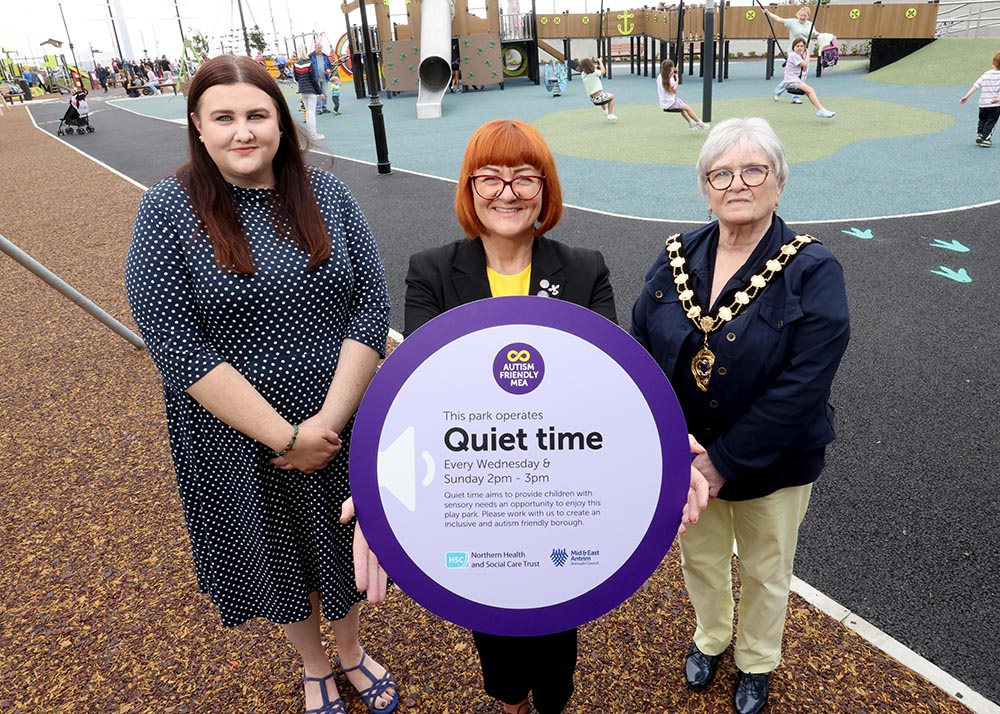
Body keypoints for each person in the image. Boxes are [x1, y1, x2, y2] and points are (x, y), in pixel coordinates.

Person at [400, 118, 708, 714]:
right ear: (469, 188)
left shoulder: (582, 267)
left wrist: (664, 441)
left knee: (557, 602)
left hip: (558, 474)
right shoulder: (432, 270)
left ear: (545, 188)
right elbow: (425, 385)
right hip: (477, 477)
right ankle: (510, 697)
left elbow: (604, 381)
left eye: (523, 176)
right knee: (489, 603)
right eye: (489, 177)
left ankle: (551, 699)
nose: (507, 192)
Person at [124, 55, 397, 714]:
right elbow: (175, 343)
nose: (241, 132)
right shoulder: (168, 211)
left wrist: (325, 426)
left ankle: (353, 651)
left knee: (341, 541)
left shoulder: (326, 194)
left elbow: (371, 304)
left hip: (337, 416)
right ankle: (313, 664)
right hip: (238, 435)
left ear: (281, 122)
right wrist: (285, 436)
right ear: (197, 124)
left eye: (256, 115)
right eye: (224, 117)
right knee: (281, 557)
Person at [631, 117, 850, 714]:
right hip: (690, 459)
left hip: (771, 462)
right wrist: (675, 445)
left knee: (765, 569)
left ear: (779, 184)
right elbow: (643, 346)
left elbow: (802, 388)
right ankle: (711, 637)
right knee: (700, 561)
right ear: (705, 188)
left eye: (754, 170)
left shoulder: (813, 268)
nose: (737, 184)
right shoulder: (676, 254)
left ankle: (756, 660)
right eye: (720, 173)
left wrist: (720, 466)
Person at [772, 37, 835, 118]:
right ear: (793, 47)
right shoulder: (794, 55)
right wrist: (808, 55)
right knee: (811, 90)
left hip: (794, 80)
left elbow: (804, 69)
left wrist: (805, 57)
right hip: (791, 81)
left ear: (804, 47)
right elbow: (805, 65)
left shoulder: (799, 56)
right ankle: (821, 110)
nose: (799, 48)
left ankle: (821, 110)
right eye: (797, 46)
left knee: (809, 92)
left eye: (802, 46)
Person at [959, 50, 1000, 147]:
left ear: (992, 63)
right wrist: (998, 98)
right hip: (995, 105)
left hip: (983, 103)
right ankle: (986, 139)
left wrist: (966, 96)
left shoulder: (986, 74)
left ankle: (980, 134)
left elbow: (976, 85)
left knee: (982, 119)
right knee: (991, 121)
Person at [657, 59, 706, 130]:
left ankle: (691, 123)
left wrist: (673, 73)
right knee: (688, 108)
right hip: (671, 103)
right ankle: (700, 123)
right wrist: (677, 80)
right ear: (670, 68)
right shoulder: (671, 81)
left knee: (682, 108)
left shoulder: (660, 77)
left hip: (664, 102)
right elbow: (675, 91)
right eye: (672, 67)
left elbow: (662, 83)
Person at [294, 48, 325, 141]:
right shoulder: (309, 63)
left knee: (308, 112)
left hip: (302, 90)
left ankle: (310, 133)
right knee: (311, 113)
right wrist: (320, 92)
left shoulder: (296, 64)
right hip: (311, 90)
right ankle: (314, 134)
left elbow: (296, 78)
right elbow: (314, 79)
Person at [310, 42, 332, 114]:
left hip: (324, 77)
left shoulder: (325, 56)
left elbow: (329, 65)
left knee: (325, 93)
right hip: (316, 78)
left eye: (320, 48)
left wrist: (329, 70)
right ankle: (318, 108)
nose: (319, 49)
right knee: (318, 94)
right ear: (315, 48)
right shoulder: (311, 57)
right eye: (318, 48)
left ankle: (324, 107)